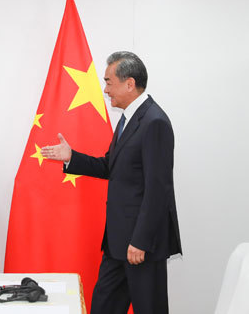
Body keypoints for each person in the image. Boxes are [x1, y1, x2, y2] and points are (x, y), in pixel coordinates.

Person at [41, 51, 182, 314]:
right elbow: (111, 167)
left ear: (129, 83)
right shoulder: (128, 119)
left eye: (108, 82)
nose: (105, 90)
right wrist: (72, 158)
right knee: (103, 306)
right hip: (117, 243)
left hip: (141, 246)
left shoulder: (155, 122)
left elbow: (158, 189)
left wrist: (140, 241)